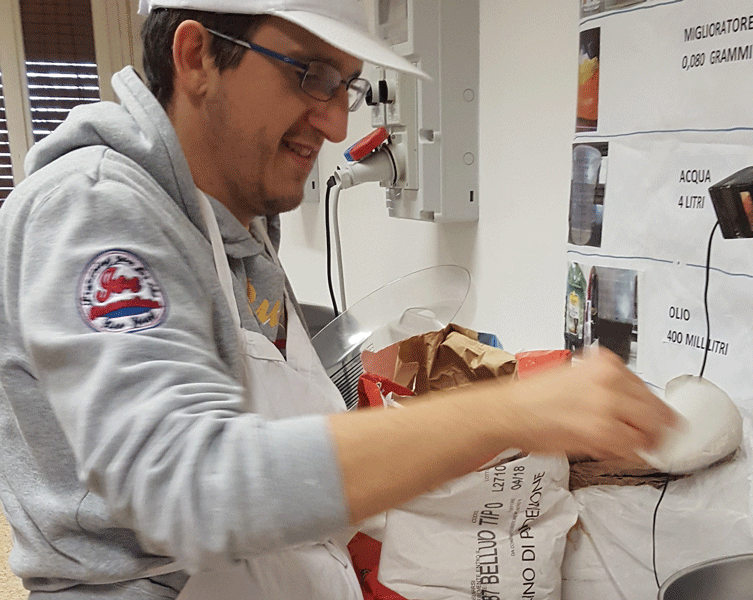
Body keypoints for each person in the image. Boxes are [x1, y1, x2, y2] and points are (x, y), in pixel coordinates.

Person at [0, 1, 677, 598]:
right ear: (196, 55)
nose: (333, 122)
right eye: (308, 75)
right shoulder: (98, 215)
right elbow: (192, 485)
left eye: (345, 85)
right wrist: (508, 413)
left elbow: (291, 411)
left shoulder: (232, 222)